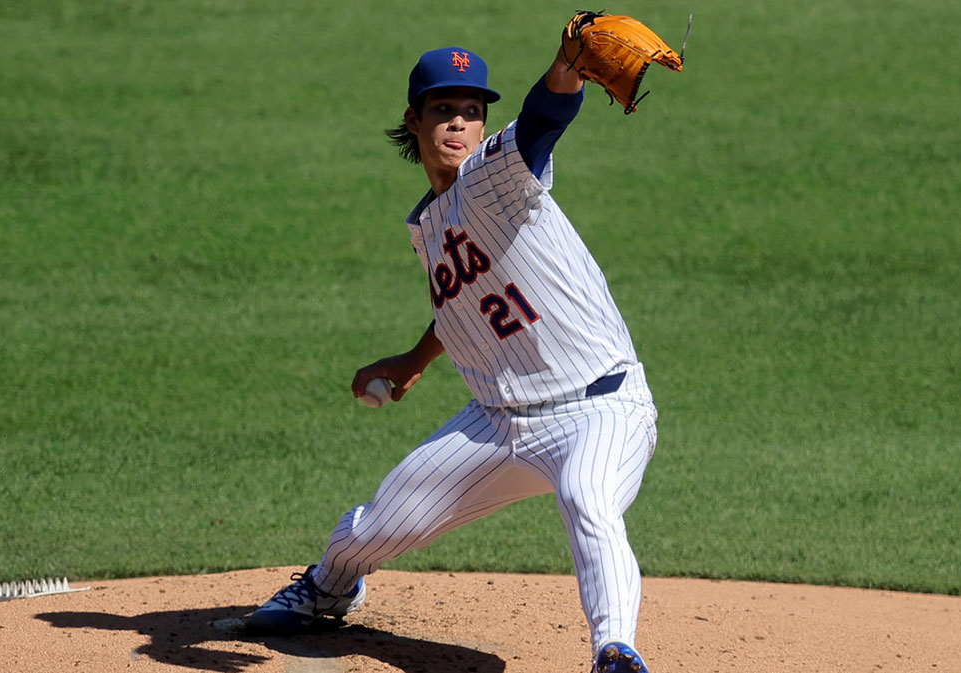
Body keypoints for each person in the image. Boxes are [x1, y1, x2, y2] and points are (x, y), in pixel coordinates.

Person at [247, 40, 659, 673]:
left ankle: (615, 651)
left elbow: (545, 119)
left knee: (588, 498)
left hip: (599, 407)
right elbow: (467, 301)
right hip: (497, 420)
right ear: (414, 120)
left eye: (472, 109)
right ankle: (328, 587)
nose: (460, 122)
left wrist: (567, 66)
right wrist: (414, 358)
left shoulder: (494, 174)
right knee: (380, 525)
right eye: (444, 109)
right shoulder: (429, 221)